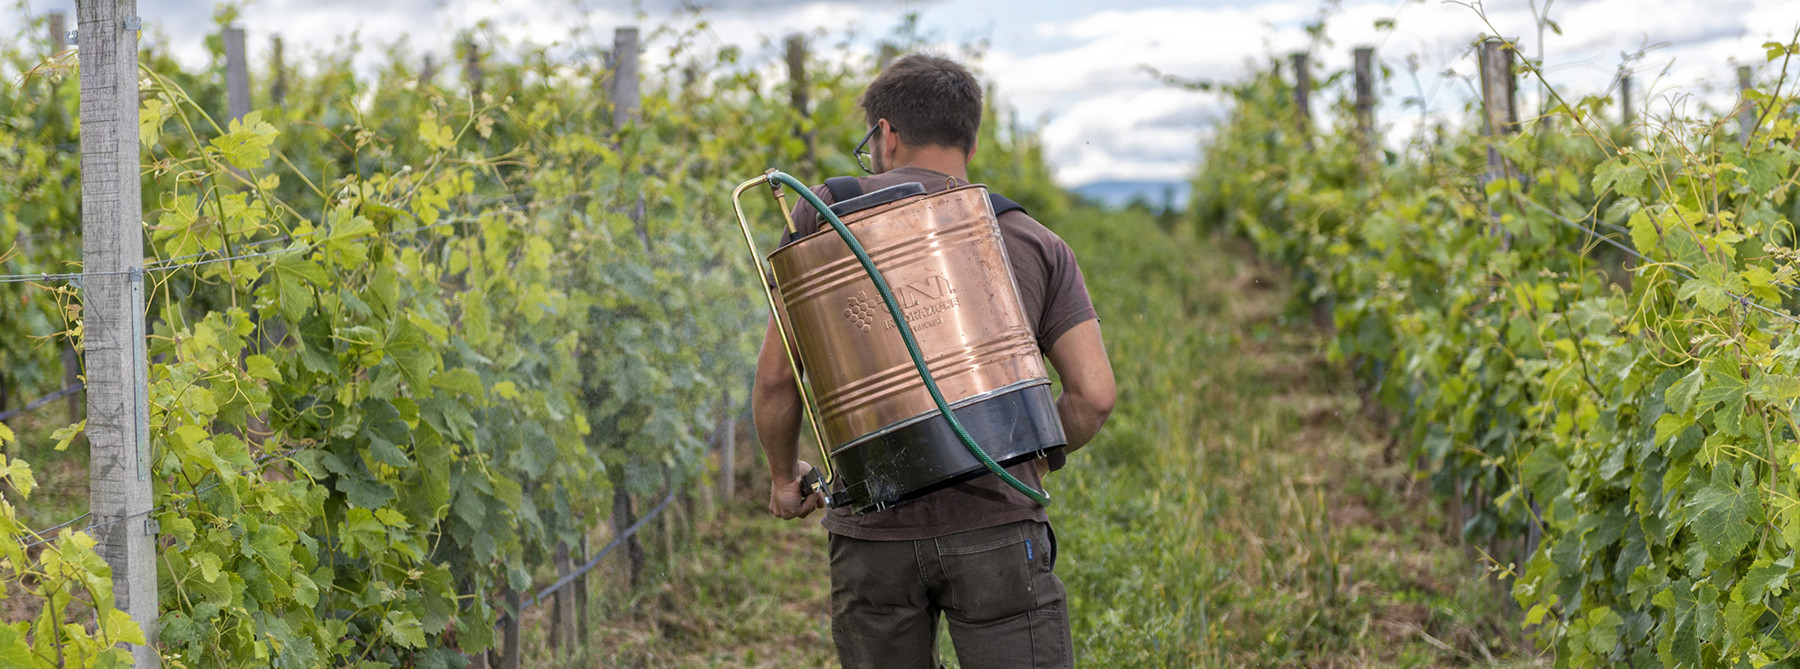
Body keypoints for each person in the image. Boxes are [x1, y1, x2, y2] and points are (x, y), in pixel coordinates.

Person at [751, 53, 1116, 669]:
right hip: (997, 529)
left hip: (874, 540)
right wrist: (1020, 455)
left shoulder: (824, 221)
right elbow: (1095, 395)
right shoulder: (1033, 239)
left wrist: (785, 479)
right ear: (969, 139)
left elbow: (777, 378)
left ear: (887, 134)